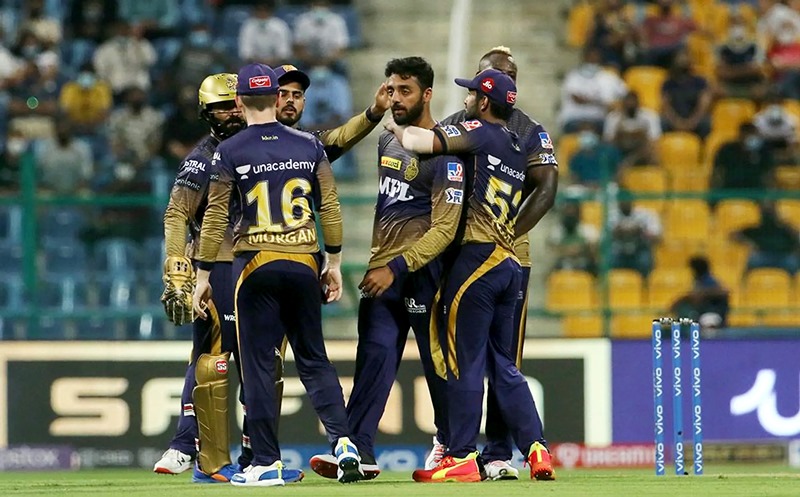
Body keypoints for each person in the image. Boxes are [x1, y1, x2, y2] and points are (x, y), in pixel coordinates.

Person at [154, 66, 389, 481]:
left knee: (260, 363)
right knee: (223, 356)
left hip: (250, 263)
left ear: (243, 102)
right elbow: (178, 213)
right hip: (264, 261)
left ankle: (256, 457)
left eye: (232, 106)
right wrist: (180, 263)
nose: (230, 114)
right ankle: (194, 448)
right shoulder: (214, 156)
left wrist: (372, 114)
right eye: (221, 108)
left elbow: (336, 140)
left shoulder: (244, 149)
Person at [386, 68, 555, 483]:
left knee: (465, 362)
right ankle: (536, 447)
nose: (465, 100)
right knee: (504, 365)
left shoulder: (480, 131)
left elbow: (418, 141)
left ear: (483, 102)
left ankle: (460, 455)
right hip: (509, 262)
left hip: (476, 261)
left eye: (471, 94)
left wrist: (392, 124)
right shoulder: (516, 145)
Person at [307, 56, 464, 481]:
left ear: (427, 95)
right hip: (383, 272)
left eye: (405, 91)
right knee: (373, 360)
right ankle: (359, 451)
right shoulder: (386, 142)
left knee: (437, 364)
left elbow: (445, 229)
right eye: (391, 89)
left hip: (426, 273)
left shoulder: (446, 152)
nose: (396, 98)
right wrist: (383, 263)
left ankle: (453, 447)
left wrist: (397, 266)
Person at [436, 46, 557, 481]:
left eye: (512, 73)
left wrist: (508, 230)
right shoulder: (459, 121)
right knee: (481, 357)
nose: (507, 78)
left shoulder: (530, 129)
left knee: (486, 356)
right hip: (466, 252)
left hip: (498, 252)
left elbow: (546, 188)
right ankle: (464, 442)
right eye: (497, 72)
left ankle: (493, 452)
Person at [670, 256, 729, 330]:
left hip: (711, 315)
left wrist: (703, 294)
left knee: (708, 324)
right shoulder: (698, 282)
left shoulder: (709, 281)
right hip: (701, 315)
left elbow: (724, 292)